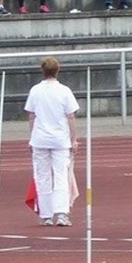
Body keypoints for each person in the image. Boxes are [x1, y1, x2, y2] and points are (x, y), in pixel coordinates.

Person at [24, 56, 80, 227]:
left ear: (43, 70)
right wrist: (74, 139)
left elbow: (31, 116)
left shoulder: (35, 90)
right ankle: (62, 214)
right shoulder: (64, 90)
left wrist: (31, 138)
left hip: (40, 139)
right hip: (60, 140)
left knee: (43, 177)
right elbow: (71, 116)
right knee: (61, 176)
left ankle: (46, 215)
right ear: (58, 70)